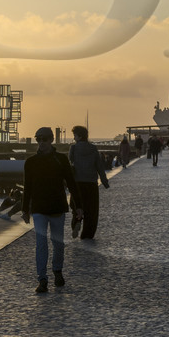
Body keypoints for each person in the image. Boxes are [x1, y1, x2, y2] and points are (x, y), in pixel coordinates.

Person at [21, 127, 78, 293]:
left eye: (44, 139)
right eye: (38, 139)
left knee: (58, 243)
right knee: (41, 244)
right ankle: (42, 279)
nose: (41, 142)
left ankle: (57, 271)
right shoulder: (30, 162)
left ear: (51, 140)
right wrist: (25, 209)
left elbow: (71, 184)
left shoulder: (61, 159)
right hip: (39, 209)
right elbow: (27, 187)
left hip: (57, 207)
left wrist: (78, 206)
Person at [67, 125, 109, 240]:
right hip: (91, 183)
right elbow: (99, 166)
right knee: (91, 210)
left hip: (77, 183)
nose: (74, 138)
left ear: (79, 136)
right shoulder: (93, 149)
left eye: (74, 135)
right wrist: (104, 181)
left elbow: (69, 165)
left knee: (77, 206)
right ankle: (87, 234)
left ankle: (77, 222)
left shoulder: (73, 148)